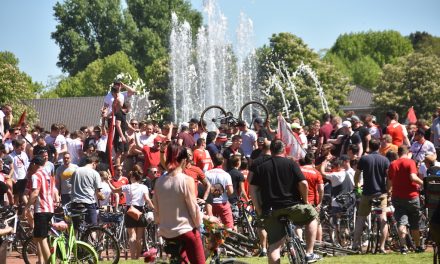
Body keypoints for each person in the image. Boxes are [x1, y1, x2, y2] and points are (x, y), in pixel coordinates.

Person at [250, 140, 320, 263]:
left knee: (274, 246)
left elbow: (253, 189)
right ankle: (309, 252)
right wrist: (305, 200)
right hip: (293, 206)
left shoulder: (261, 168)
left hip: (271, 210)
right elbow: (303, 183)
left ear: (271, 151)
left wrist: (259, 209)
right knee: (312, 216)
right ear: (284, 150)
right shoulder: (291, 164)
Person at [153, 143, 205, 264]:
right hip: (185, 230)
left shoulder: (159, 182)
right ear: (184, 160)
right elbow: (193, 208)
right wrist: (200, 224)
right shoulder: (186, 180)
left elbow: (156, 207)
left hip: (166, 231)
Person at [108, 165, 154, 259]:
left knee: (132, 236)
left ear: (132, 177)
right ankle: (137, 257)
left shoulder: (127, 187)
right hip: (140, 211)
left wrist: (108, 181)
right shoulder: (144, 187)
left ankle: (132, 257)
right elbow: (147, 199)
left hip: (130, 211)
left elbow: (113, 190)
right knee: (139, 238)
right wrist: (154, 208)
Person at [352, 138, 390, 253]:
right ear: (379, 147)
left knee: (361, 219)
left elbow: (357, 175)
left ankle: (355, 245)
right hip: (380, 194)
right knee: (382, 218)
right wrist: (388, 190)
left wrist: (357, 186)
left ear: (369, 146)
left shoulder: (364, 158)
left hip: (367, 194)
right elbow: (388, 177)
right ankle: (382, 247)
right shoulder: (385, 160)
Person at [388, 145, 424, 254]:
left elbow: (389, 181)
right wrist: (424, 183)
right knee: (414, 223)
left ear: (398, 153)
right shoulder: (410, 162)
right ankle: (417, 246)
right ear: (407, 152)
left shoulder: (393, 164)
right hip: (412, 196)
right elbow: (413, 177)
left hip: (397, 196)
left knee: (401, 222)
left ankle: (403, 246)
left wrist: (389, 192)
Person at [25, 156, 55, 264]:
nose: (30, 166)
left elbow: (35, 193)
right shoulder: (49, 176)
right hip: (50, 208)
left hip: (41, 209)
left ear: (35, 164)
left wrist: (27, 207)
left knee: (42, 239)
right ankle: (43, 261)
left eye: (31, 164)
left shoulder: (35, 176)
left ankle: (49, 262)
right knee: (39, 237)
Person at [70, 154, 104, 227]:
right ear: (94, 163)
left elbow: (71, 186)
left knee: (75, 227)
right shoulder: (95, 173)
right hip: (88, 202)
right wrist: (102, 197)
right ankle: (92, 237)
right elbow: (98, 194)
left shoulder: (76, 171)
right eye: (96, 165)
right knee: (93, 227)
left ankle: (75, 237)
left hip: (75, 202)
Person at [205, 154, 234, 229]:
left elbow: (203, 189)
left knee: (211, 227)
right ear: (223, 161)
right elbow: (230, 191)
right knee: (229, 226)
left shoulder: (207, 173)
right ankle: (227, 239)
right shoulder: (226, 174)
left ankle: (212, 240)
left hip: (210, 204)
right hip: (223, 203)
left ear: (212, 161)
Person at [300, 152, 324, 241]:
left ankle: (300, 241)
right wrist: (320, 203)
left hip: (300, 200)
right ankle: (318, 243)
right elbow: (321, 189)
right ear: (313, 161)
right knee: (316, 223)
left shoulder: (299, 169)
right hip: (313, 201)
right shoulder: (316, 173)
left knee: (298, 224)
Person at [9, 139, 29, 205]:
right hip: (16, 178)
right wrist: (12, 178)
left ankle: (24, 209)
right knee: (16, 195)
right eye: (21, 146)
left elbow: (26, 165)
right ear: (16, 147)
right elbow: (10, 168)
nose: (23, 148)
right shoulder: (11, 156)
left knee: (24, 194)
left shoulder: (24, 154)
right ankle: (16, 208)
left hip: (24, 177)